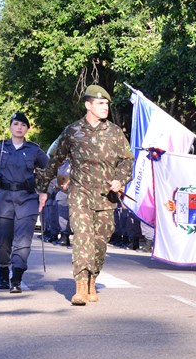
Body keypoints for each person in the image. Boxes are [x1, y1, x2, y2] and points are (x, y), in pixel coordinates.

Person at [36, 85, 133, 305]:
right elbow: (54, 160)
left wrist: (121, 179)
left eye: (107, 104)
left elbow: (127, 161)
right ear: (88, 105)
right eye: (100, 104)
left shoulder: (115, 133)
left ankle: (92, 278)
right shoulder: (72, 131)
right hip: (80, 193)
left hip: (107, 196)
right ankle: (80, 286)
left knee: (100, 241)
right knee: (82, 237)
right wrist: (42, 186)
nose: (105, 107)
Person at [0, 113, 49, 292]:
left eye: (23, 125)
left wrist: (43, 187)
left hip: (27, 198)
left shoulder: (34, 149)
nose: (19, 127)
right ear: (10, 127)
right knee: (3, 239)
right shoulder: (0, 147)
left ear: (27, 129)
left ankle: (16, 278)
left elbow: (48, 168)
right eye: (16, 124)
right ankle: (3, 271)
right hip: (4, 197)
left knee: (24, 239)